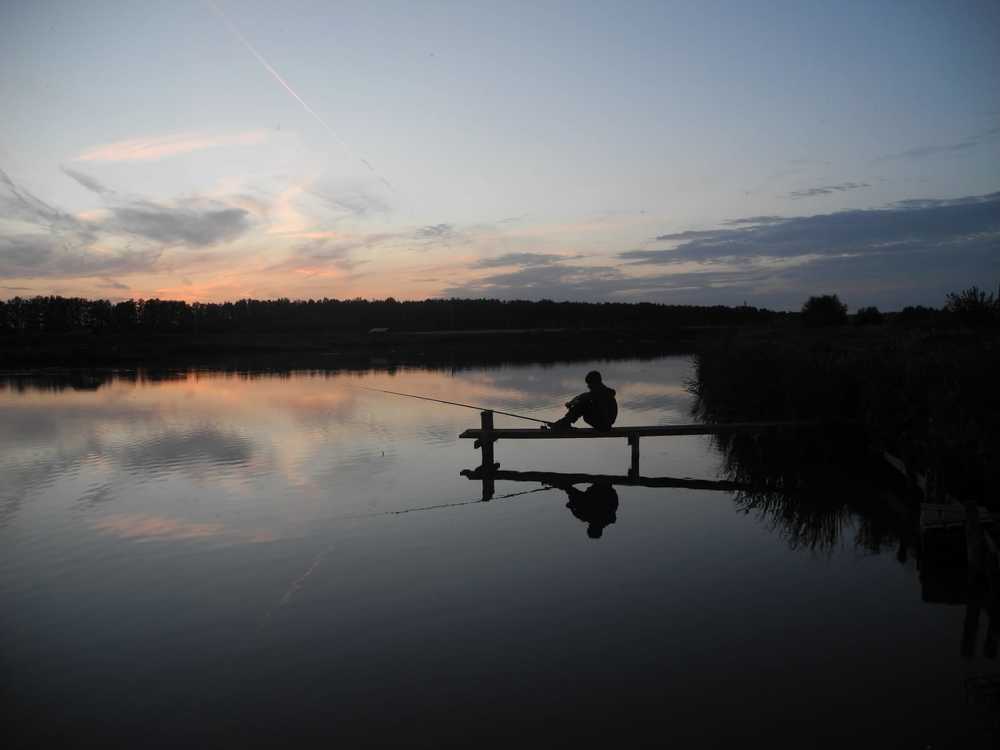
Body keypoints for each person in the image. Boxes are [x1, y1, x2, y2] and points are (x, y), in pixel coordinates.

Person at [545, 370, 617, 431]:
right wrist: (572, 403)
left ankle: (564, 424)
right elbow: (583, 396)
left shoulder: (599, 393)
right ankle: (564, 423)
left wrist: (571, 404)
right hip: (605, 424)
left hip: (604, 425)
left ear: (595, 383)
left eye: (589, 384)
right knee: (583, 404)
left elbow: (583, 398)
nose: (588, 386)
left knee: (583, 405)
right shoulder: (604, 391)